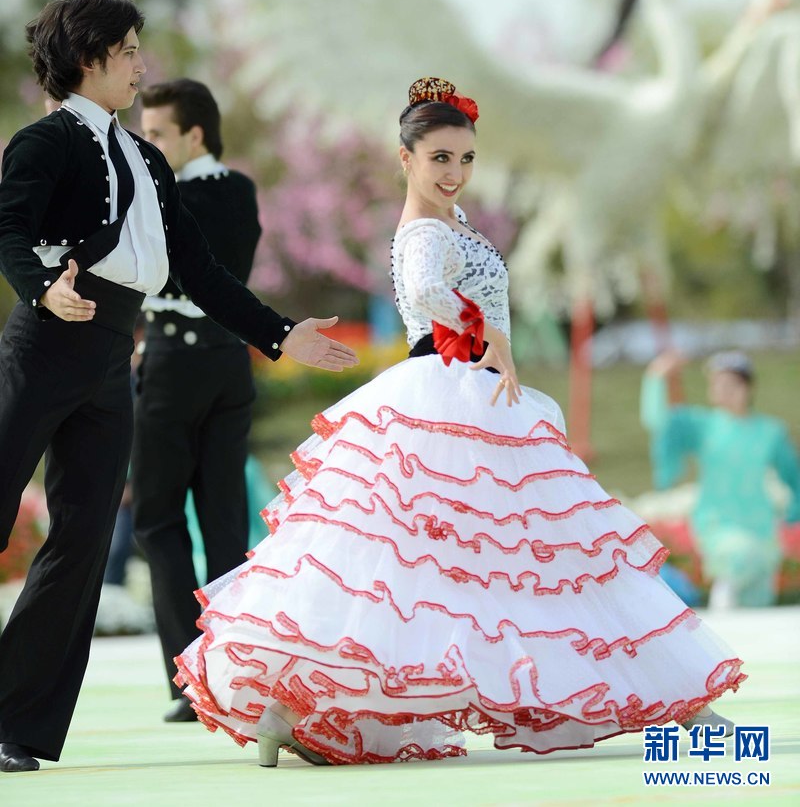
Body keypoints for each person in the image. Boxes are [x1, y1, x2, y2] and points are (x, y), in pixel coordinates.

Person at [175, 78, 744, 767]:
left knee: (425, 568)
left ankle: (284, 712)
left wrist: (485, 334)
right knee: (514, 559)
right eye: (440, 158)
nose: (455, 172)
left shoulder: (452, 221)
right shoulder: (423, 231)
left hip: (466, 396)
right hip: (453, 397)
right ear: (405, 158)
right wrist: (483, 330)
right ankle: (682, 704)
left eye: (466, 158)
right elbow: (423, 289)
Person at [0, 0, 357, 773]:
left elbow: (200, 268)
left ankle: (12, 726)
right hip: (44, 343)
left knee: (82, 541)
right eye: (128, 50)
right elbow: (8, 228)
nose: (141, 64)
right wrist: (41, 287)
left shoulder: (148, 159)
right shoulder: (42, 141)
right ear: (88, 59)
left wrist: (278, 332)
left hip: (109, 357)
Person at [130, 79, 265, 722]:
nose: (147, 144)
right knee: (224, 520)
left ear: (194, 135)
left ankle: (190, 679)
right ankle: (230, 673)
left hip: (173, 365)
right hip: (229, 363)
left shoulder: (167, 194)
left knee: (158, 520)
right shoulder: (241, 190)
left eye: (157, 134)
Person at [641, 349, 800, 609]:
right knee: (737, 563)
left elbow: (793, 475)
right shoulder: (702, 425)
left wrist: (795, 509)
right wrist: (656, 377)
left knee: (758, 604)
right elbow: (658, 421)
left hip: (761, 530)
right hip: (718, 526)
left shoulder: (770, 431)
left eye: (729, 383)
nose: (721, 389)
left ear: (747, 388)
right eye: (716, 383)